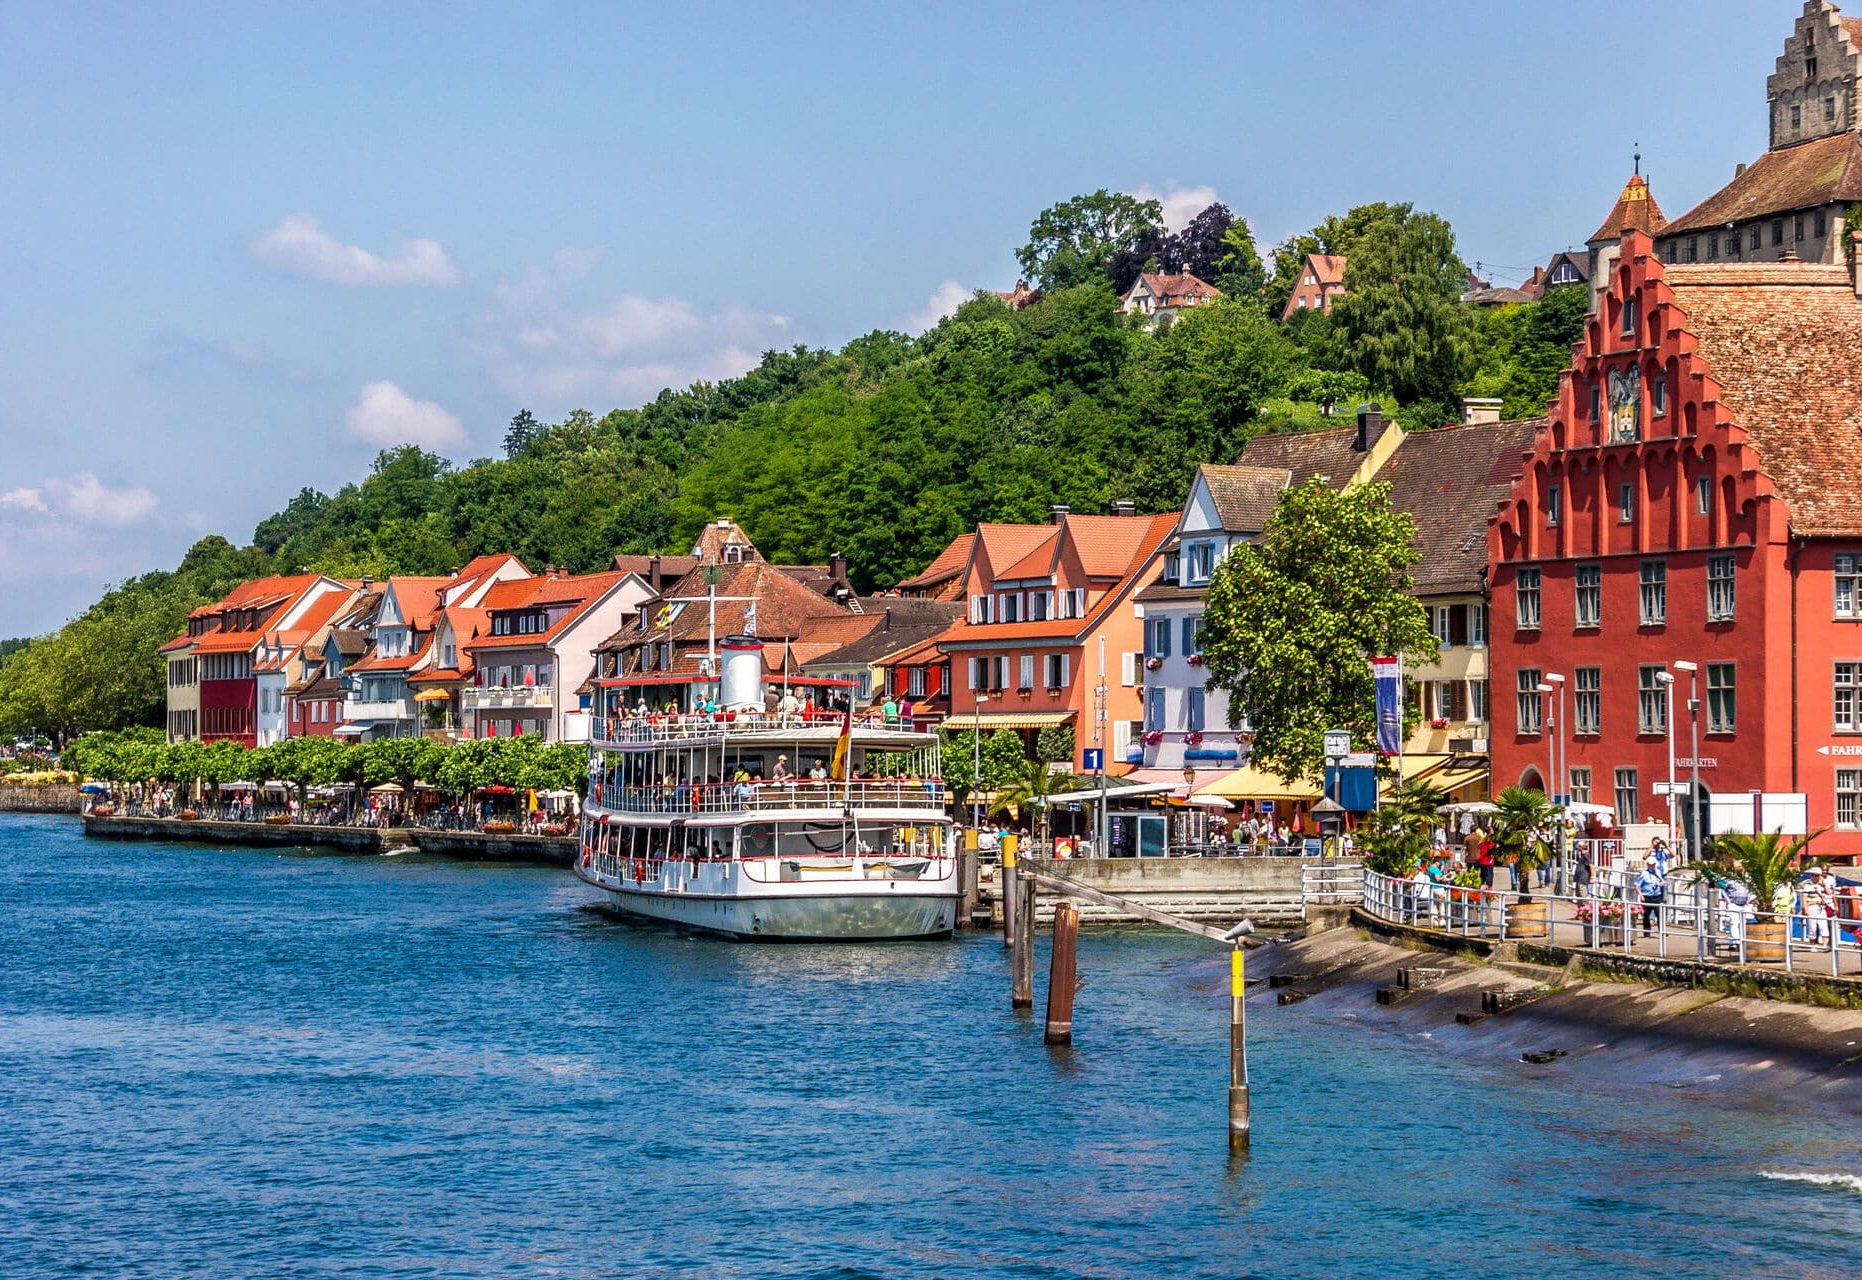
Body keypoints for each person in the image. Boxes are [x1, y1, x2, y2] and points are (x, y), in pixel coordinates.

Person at [1636, 859, 1667, 937]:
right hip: (1647, 897)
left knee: (1660, 914)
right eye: (1650, 864)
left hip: (1657, 896)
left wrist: (1661, 884)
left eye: (1653, 865)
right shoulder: (1644, 874)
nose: (1651, 866)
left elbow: (1662, 881)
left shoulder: (1658, 872)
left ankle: (1662, 931)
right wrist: (1641, 895)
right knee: (1646, 915)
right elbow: (1637, 885)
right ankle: (1646, 932)